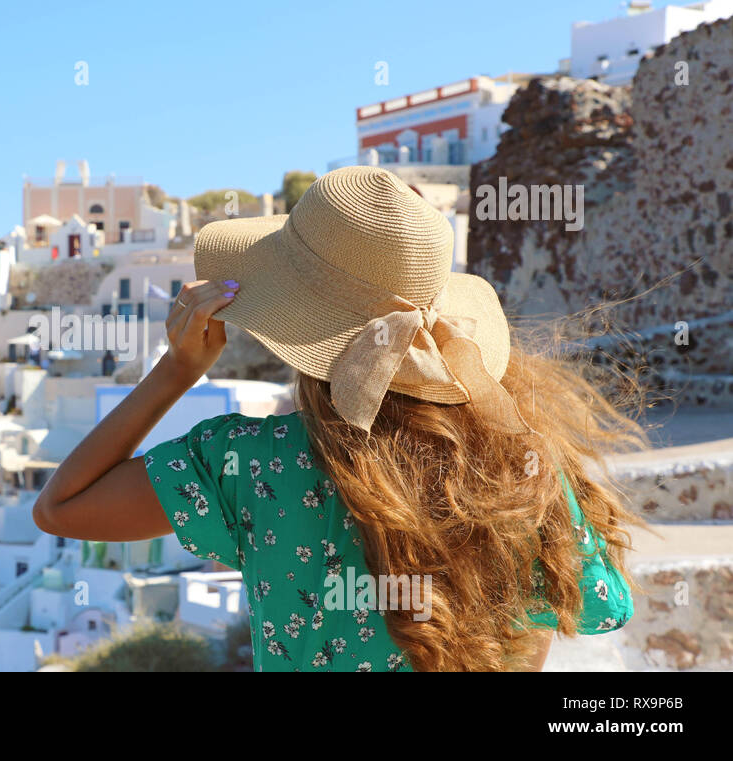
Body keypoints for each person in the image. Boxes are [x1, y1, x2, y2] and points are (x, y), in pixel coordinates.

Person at [32, 166, 644, 672]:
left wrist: (176, 371)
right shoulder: (518, 461)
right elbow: (588, 607)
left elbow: (62, 508)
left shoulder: (252, 465)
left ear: (295, 329)